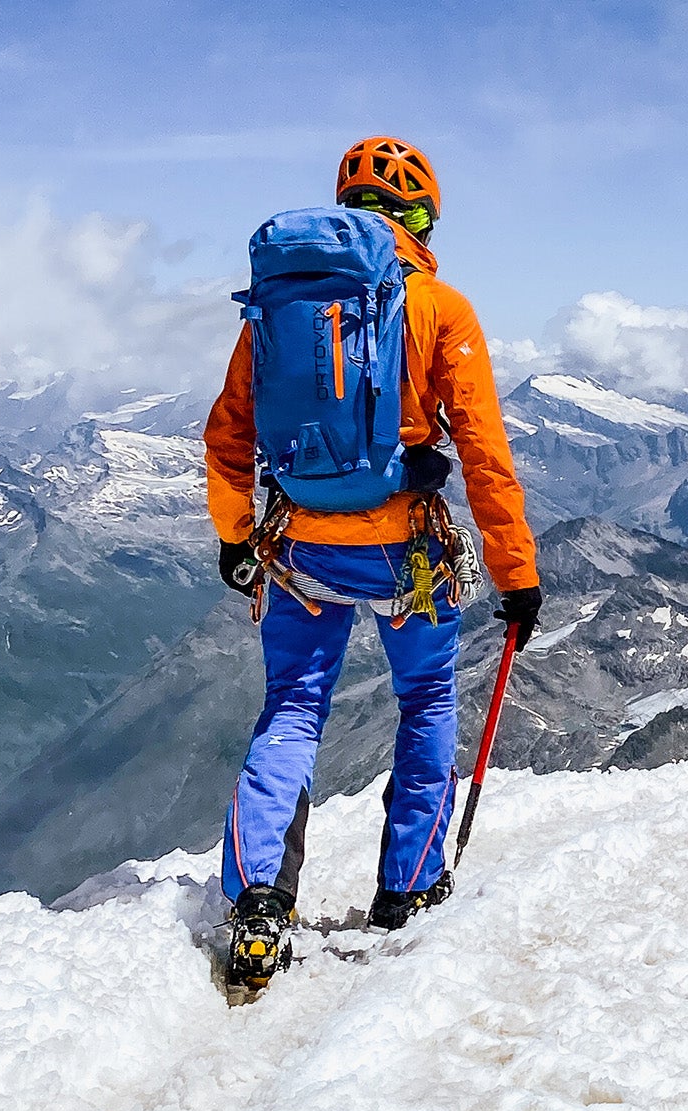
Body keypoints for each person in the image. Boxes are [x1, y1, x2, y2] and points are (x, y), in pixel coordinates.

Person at [203, 136, 541, 982]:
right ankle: (410, 886)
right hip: (409, 550)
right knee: (424, 697)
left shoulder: (279, 306)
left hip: (300, 545)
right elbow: (486, 453)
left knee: (292, 709)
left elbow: (230, 434)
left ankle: (257, 900)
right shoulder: (442, 308)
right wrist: (516, 573)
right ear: (422, 216)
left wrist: (236, 538)